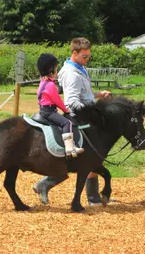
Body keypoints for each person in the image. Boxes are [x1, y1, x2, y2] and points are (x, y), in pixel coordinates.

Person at [33, 38, 111, 206]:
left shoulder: (80, 68)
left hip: (86, 113)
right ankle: (91, 197)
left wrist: (98, 94)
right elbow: (72, 102)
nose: (87, 59)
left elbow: (85, 94)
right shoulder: (70, 73)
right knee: (90, 155)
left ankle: (93, 197)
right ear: (74, 53)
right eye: (84, 56)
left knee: (94, 156)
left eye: (89, 56)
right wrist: (95, 110)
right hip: (79, 116)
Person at [36, 53, 84, 157]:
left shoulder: (43, 82)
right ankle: (70, 148)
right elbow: (57, 101)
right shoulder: (50, 85)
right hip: (49, 112)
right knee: (67, 123)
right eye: (56, 69)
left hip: (43, 110)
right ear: (50, 69)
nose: (57, 71)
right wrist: (66, 110)